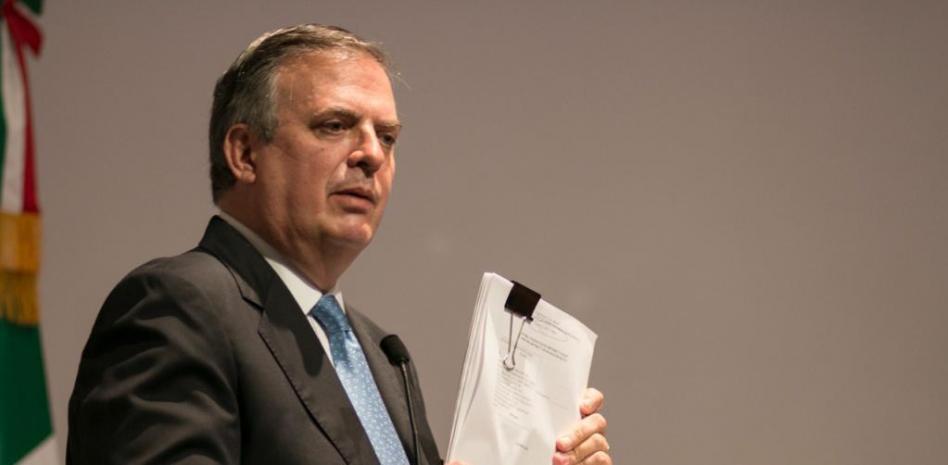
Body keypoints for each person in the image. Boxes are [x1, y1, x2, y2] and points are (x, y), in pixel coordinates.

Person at [67, 24, 611, 465]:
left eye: (387, 137)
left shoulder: (380, 354)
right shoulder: (178, 305)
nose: (372, 154)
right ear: (246, 154)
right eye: (334, 125)